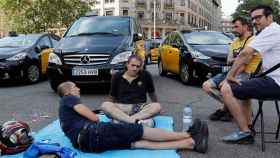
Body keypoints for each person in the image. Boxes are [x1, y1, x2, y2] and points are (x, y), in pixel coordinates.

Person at [57, 81, 209, 153]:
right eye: (75, 87)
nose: (78, 88)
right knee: (139, 130)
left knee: (139, 143)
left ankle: (190, 143)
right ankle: (189, 133)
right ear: (68, 91)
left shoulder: (64, 113)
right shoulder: (69, 99)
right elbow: (94, 118)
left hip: (88, 145)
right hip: (93, 133)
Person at [220, 5, 280, 144]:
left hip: (275, 83)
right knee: (245, 89)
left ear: (269, 17)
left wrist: (229, 76)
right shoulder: (275, 31)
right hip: (272, 80)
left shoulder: (271, 30)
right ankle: (248, 125)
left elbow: (246, 53)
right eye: (253, 19)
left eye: (258, 17)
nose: (254, 21)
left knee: (226, 88)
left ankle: (245, 133)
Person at [202, 16, 262, 122]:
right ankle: (232, 108)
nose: (233, 30)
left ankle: (225, 110)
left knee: (224, 86)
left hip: (247, 73)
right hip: (232, 70)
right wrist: (239, 58)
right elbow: (229, 60)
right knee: (206, 86)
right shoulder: (234, 42)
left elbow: (244, 63)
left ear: (245, 26)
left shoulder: (253, 41)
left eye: (236, 27)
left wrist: (228, 78)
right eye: (233, 27)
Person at [101, 55, 161, 127]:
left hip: (139, 108)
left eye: (138, 66)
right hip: (121, 108)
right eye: (132, 65)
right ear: (127, 64)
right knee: (105, 105)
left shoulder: (146, 75)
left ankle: (125, 121)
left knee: (157, 106)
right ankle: (134, 122)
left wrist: (157, 108)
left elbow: (152, 93)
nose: (135, 68)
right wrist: (110, 109)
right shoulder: (117, 76)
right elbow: (112, 96)